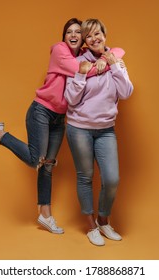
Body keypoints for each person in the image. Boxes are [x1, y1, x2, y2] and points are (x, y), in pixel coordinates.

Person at [0, 18, 125, 234]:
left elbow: (116, 49)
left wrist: (111, 57)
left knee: (48, 166)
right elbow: (82, 70)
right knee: (37, 160)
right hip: (42, 111)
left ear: (82, 37)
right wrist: (104, 63)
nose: (73, 35)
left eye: (77, 33)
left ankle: (45, 216)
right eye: (68, 32)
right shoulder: (60, 51)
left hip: (59, 118)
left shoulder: (81, 53)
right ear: (63, 37)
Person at [64, 18, 133, 246]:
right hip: (79, 128)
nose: (94, 39)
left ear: (105, 34)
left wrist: (113, 65)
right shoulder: (78, 62)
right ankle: (91, 226)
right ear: (85, 40)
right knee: (85, 177)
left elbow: (126, 92)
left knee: (111, 179)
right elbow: (70, 99)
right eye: (89, 36)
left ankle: (104, 220)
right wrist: (82, 74)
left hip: (105, 130)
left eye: (98, 34)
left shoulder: (115, 60)